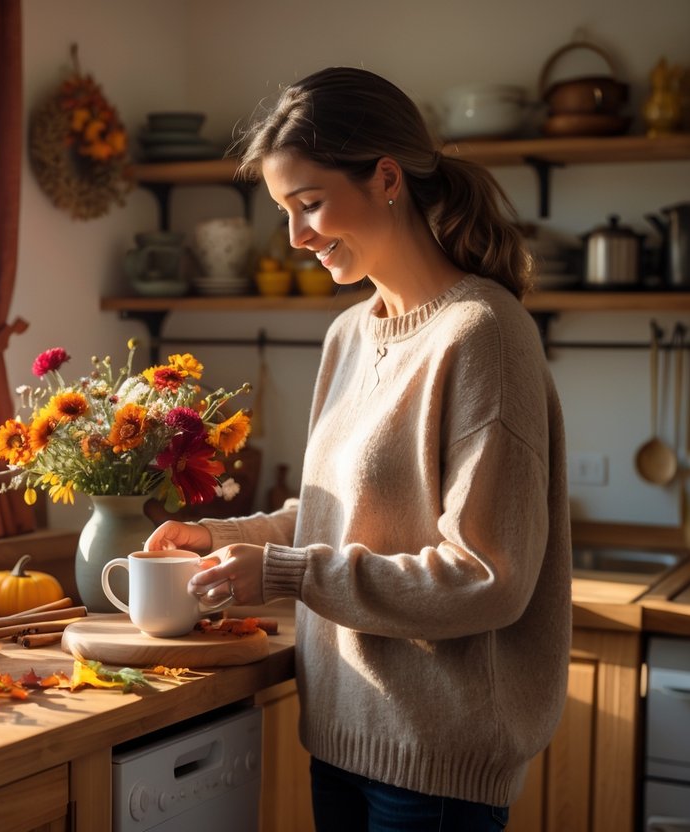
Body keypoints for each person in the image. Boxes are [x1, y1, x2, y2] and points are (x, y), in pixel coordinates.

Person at [144, 66, 570, 831]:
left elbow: (487, 577)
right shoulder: (348, 334)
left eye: (308, 203)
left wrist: (276, 570)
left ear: (383, 178)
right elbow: (335, 514)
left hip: (432, 760)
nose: (295, 236)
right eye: (283, 210)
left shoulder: (482, 333)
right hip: (340, 737)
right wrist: (222, 539)